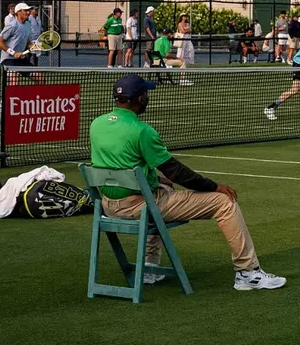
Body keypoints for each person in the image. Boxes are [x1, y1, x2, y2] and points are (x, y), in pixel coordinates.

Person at [90, 75, 285, 291]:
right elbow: (176, 172)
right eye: (146, 94)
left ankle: (149, 267)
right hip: (139, 207)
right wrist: (215, 186)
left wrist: (157, 179)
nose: (148, 97)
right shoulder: (142, 131)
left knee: (162, 186)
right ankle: (248, 272)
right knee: (224, 202)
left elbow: (117, 166)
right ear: (139, 98)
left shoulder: (96, 124)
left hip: (108, 206)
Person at [0, 2, 38, 82]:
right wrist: (13, 53)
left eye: (28, 10)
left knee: (40, 77)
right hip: (8, 59)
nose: (28, 12)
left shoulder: (28, 24)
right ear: (18, 12)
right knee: (14, 78)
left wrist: (33, 46)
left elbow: (27, 42)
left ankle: (36, 95)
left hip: (21, 59)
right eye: (25, 10)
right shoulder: (12, 25)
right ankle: (9, 94)